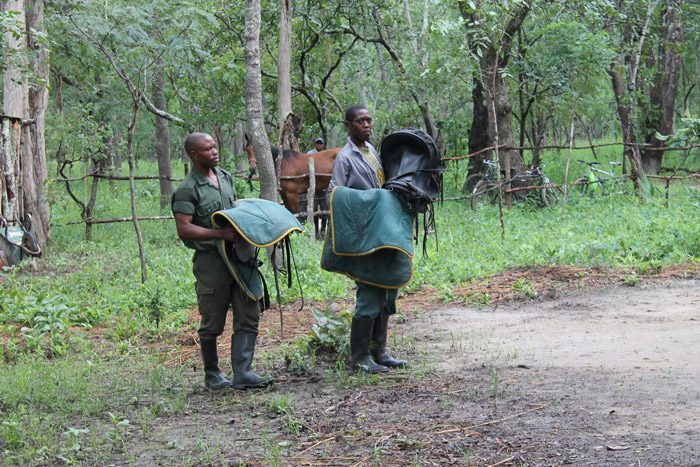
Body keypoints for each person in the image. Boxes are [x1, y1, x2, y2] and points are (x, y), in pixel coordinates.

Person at [172, 132, 273, 390]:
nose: (215, 152)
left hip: (239, 259)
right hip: (211, 264)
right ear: (194, 155)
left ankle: (243, 372)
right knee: (213, 319)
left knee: (249, 311)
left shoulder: (225, 177)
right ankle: (213, 374)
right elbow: (184, 229)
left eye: (215, 147)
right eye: (208, 149)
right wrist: (219, 234)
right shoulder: (187, 189)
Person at [327, 105, 408, 374]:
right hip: (365, 235)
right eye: (360, 121)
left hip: (383, 231)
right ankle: (360, 358)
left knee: (386, 291)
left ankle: (380, 352)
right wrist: (369, 202)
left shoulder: (373, 152)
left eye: (369, 120)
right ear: (348, 125)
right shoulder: (345, 157)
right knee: (369, 294)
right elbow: (334, 195)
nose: (367, 125)